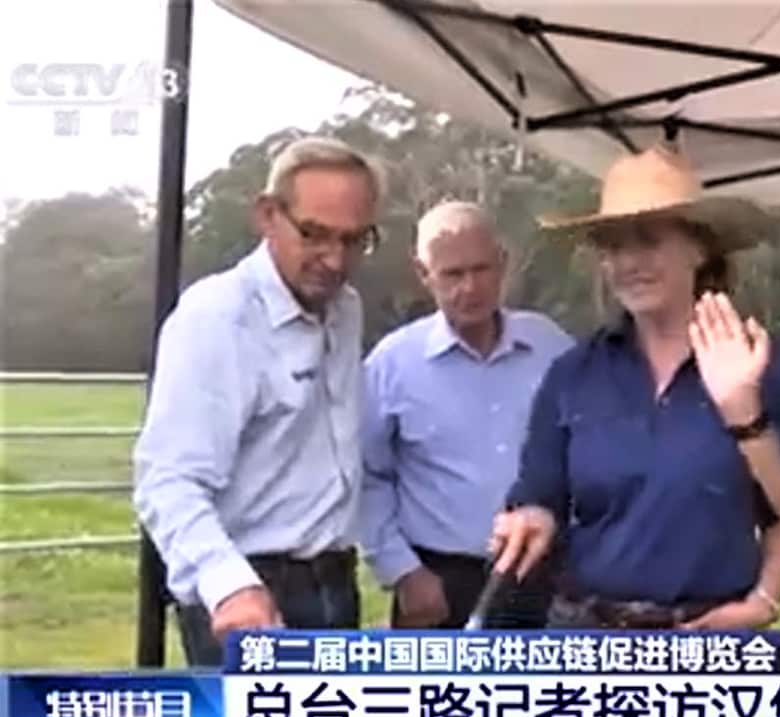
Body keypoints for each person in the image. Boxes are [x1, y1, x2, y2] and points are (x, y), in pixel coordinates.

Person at [484, 143, 780, 630]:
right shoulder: (574, 375)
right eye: (615, 246)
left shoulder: (757, 369)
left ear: (699, 248)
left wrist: (763, 601)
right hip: (586, 638)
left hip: (707, 636)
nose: (630, 261)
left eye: (649, 240)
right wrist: (531, 518)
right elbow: (541, 493)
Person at [134, 136, 384, 666]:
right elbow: (168, 480)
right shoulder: (218, 319)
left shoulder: (346, 308)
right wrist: (229, 586)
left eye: (355, 240)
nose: (335, 259)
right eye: (314, 234)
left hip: (335, 579)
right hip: (249, 587)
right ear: (268, 215)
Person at [359, 201, 573, 629]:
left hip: (543, 577)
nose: (470, 288)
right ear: (424, 274)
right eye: (452, 275)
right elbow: (367, 478)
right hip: (437, 584)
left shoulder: (551, 347)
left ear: (503, 264)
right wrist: (403, 572)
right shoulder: (393, 364)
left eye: (481, 270)